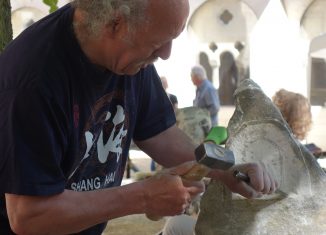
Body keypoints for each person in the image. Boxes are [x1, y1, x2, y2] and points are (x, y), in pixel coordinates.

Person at [0, 1, 277, 234]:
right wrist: (143, 196)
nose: (166, 54)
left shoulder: (131, 56)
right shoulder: (32, 82)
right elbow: (29, 216)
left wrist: (226, 171)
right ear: (115, 24)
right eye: (159, 42)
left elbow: (161, 135)